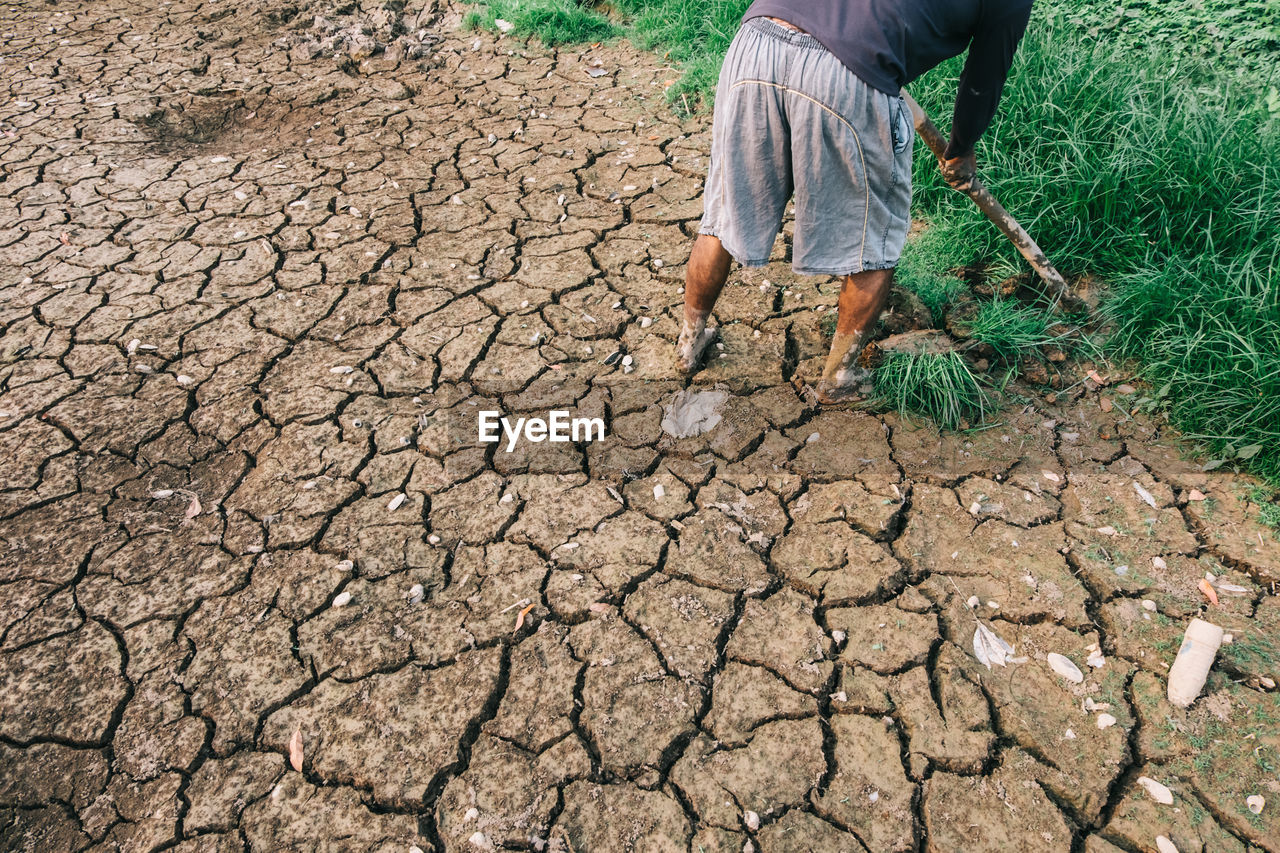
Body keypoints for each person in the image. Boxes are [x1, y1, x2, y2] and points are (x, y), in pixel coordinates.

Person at [676, 0, 1034, 403]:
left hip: (756, 42)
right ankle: (840, 377)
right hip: (845, 67)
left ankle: (689, 343)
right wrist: (963, 148)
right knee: (872, 239)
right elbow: (984, 79)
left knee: (725, 214)